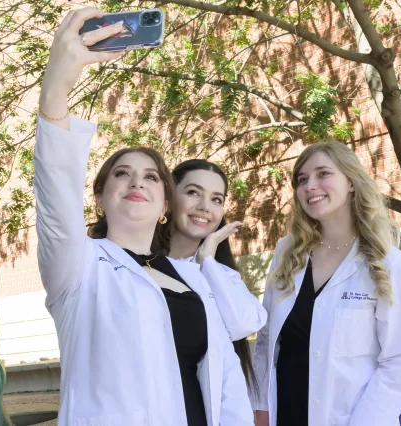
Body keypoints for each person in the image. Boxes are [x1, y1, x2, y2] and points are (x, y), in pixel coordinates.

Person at [34, 7, 253, 425]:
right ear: (100, 195)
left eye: (152, 176)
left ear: (166, 203)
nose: (137, 182)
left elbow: (225, 384)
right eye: (122, 173)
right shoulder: (79, 265)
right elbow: (54, 191)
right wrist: (57, 86)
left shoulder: (190, 277)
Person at [252, 142, 401, 426]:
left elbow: (398, 361)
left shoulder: (390, 264)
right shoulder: (287, 253)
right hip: (287, 411)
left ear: (352, 182)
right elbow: (267, 341)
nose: (309, 186)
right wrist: (260, 407)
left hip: (358, 416)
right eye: (302, 180)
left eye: (323, 174)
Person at [169, 159, 267, 392]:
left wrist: (207, 260)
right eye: (193, 192)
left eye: (216, 200)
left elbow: (242, 324)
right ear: (169, 198)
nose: (205, 206)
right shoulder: (140, 264)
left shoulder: (220, 274)